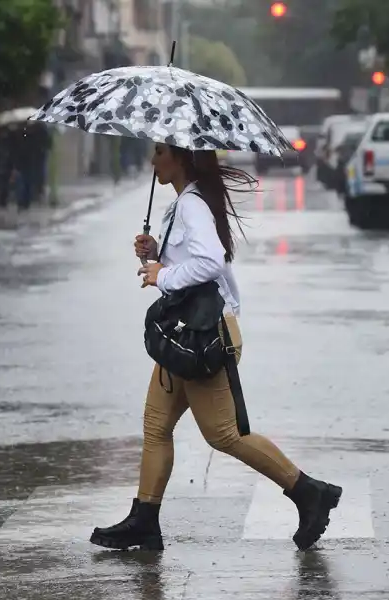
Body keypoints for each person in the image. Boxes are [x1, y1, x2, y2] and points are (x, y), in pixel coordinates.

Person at [89, 143, 342, 552]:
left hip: (205, 336)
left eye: (159, 153)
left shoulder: (192, 206)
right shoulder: (186, 203)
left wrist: (162, 276)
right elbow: (193, 258)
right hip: (185, 332)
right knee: (156, 426)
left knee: (223, 434)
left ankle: (309, 492)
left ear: (181, 159)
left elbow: (210, 262)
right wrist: (156, 253)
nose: (153, 161)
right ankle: (144, 520)